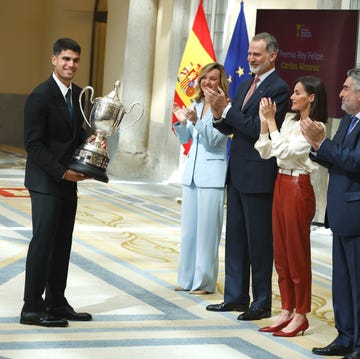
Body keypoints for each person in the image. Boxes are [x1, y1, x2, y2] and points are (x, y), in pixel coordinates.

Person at [204, 32, 290, 320]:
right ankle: (236, 297)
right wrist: (218, 115)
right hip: (238, 171)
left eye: (257, 54)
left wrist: (226, 110)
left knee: (259, 242)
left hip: (259, 175)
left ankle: (261, 302)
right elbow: (232, 126)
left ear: (272, 57)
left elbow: (259, 129)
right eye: (250, 54)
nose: (251, 58)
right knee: (237, 239)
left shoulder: (279, 89)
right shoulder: (243, 85)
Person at [20, 38, 104, 327]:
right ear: (54, 59)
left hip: (69, 181)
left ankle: (56, 303)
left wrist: (89, 142)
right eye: (66, 59)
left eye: (76, 60)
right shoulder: (40, 95)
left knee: (62, 244)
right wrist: (61, 173)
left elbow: (72, 136)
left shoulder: (80, 95)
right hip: (46, 181)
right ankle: (31, 307)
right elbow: (34, 144)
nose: (71, 64)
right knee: (43, 243)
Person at [254, 76, 328, 337]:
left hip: (299, 187)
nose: (292, 97)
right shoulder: (287, 121)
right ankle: (286, 309)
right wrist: (266, 124)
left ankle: (301, 314)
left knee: (297, 254)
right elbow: (265, 151)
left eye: (298, 93)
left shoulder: (315, 126)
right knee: (282, 254)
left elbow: (285, 153)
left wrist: (272, 123)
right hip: (280, 183)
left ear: (311, 97)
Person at [301, 69, 360, 359]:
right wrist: (317, 147)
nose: (340, 93)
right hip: (339, 212)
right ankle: (345, 336)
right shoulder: (349, 120)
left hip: (357, 215)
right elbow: (338, 156)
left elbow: (355, 162)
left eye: (346, 88)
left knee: (358, 284)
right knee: (342, 282)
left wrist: (323, 144)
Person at [172, 62, 229, 295]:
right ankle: (186, 279)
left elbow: (215, 141)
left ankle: (204, 282)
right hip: (192, 175)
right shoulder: (195, 103)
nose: (207, 82)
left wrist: (195, 121)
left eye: (213, 78)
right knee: (189, 232)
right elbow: (186, 139)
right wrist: (182, 122)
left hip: (212, 177)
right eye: (205, 78)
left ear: (221, 82)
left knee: (207, 233)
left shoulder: (225, 107)